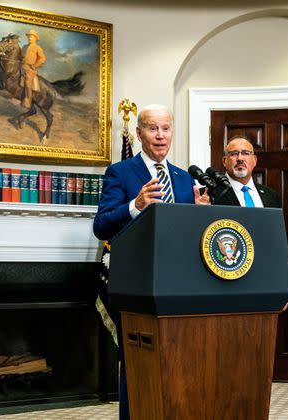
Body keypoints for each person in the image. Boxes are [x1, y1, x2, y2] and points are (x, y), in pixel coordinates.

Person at [93, 104, 210, 419]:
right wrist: (135, 204)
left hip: (179, 284)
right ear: (140, 133)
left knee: (178, 361)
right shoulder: (120, 172)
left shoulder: (184, 179)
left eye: (166, 128)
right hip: (137, 284)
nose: (160, 136)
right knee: (138, 363)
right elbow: (101, 226)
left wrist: (199, 215)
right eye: (153, 128)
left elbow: (186, 232)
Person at [213, 136, 281, 208]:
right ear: (224, 161)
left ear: (254, 160)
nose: (240, 158)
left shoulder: (271, 195)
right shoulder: (210, 194)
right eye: (234, 153)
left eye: (245, 153)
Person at [21, 29, 46, 109]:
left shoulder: (37, 48)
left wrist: (34, 66)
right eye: (29, 36)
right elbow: (20, 56)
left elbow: (42, 58)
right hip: (22, 66)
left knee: (28, 82)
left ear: (35, 38)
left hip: (30, 69)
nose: (29, 38)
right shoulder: (24, 47)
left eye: (31, 37)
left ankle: (28, 100)